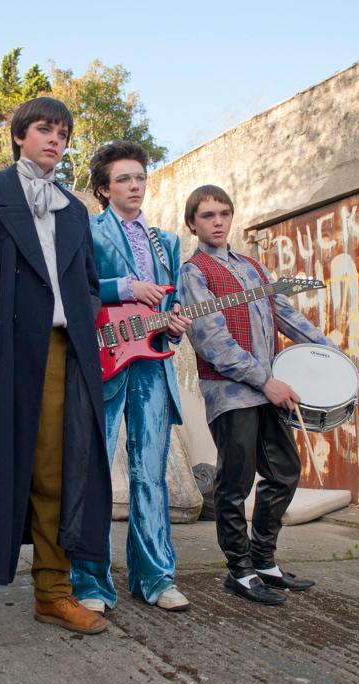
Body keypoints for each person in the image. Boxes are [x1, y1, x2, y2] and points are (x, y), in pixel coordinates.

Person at [0, 97, 112, 660]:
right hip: (3, 349)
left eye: (63, 133)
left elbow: (87, 283)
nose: (55, 140)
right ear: (19, 135)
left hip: (65, 352)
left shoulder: (74, 209)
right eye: (44, 129)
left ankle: (52, 594)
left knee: (60, 477)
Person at [177, 185, 334, 606]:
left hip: (268, 390)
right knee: (235, 482)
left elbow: (288, 315)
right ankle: (239, 570)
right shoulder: (193, 272)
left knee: (283, 472)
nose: (217, 222)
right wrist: (265, 380)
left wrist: (331, 356)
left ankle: (264, 560)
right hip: (232, 393)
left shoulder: (253, 269)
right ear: (193, 222)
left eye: (224, 214)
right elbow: (212, 340)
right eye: (207, 215)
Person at [70, 141, 192, 615]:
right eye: (123, 179)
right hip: (104, 360)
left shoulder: (168, 241)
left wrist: (176, 319)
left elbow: (172, 299)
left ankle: (156, 578)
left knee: (151, 475)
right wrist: (123, 287)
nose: (134, 185)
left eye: (139, 177)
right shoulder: (88, 229)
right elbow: (73, 285)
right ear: (104, 188)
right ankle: (90, 583)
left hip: (153, 364)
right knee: (93, 473)